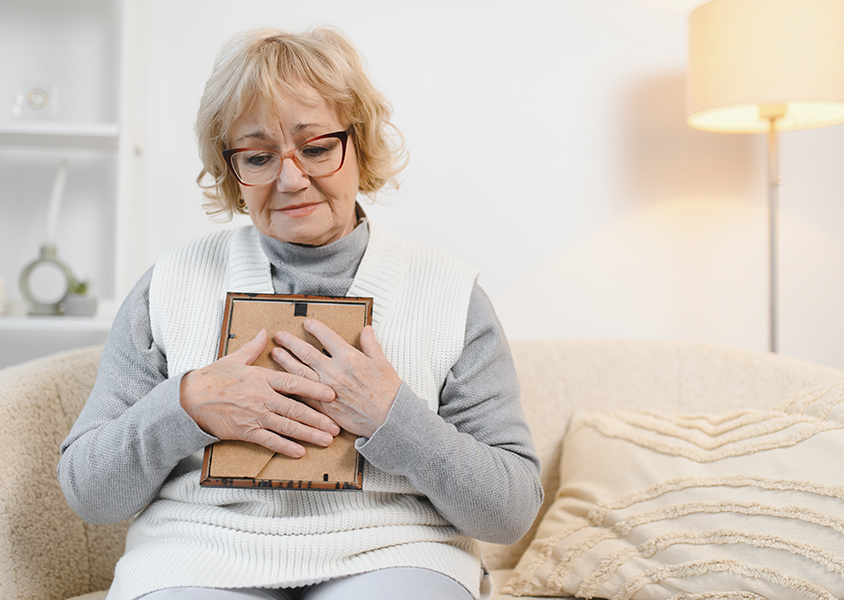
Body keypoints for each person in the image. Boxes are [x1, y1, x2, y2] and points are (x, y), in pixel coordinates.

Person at [58, 27, 542, 600]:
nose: (291, 180)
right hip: (197, 553)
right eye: (259, 157)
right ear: (229, 168)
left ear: (358, 145)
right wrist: (185, 404)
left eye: (316, 148)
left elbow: (511, 510)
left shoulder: (450, 293)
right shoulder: (170, 285)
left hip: (395, 552)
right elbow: (88, 492)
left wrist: (394, 417)